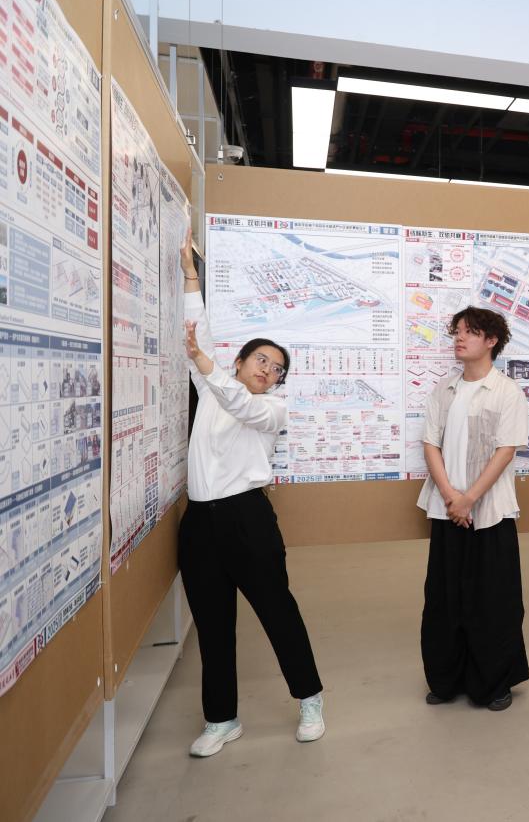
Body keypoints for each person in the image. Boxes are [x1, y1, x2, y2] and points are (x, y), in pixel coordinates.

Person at [178, 230, 325, 758]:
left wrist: (205, 364)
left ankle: (310, 700)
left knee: (277, 612)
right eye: (261, 360)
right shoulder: (211, 388)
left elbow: (237, 402)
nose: (268, 370)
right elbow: (197, 332)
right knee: (213, 626)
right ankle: (222, 719)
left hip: (249, 520)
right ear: (239, 362)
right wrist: (189, 273)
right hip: (200, 524)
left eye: (277, 369)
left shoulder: (270, 409)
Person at [417, 306, 529, 711]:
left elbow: (505, 451)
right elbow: (430, 443)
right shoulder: (444, 390)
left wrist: (469, 499)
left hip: (490, 511)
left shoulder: (507, 391)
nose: (459, 338)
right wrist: (451, 496)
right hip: (447, 508)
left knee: (494, 600)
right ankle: (447, 680)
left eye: (470, 332)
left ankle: (494, 682)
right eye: (457, 332)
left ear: (492, 340)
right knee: (444, 599)